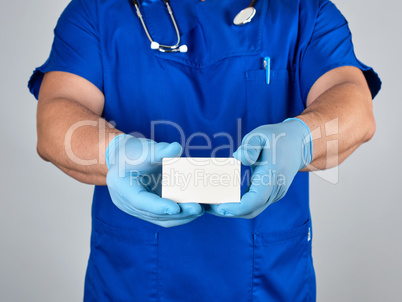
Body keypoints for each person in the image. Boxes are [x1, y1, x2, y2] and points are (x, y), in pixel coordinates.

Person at [28, 0, 381, 301]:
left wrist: (301, 138)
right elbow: (56, 117)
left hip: (271, 283)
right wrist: (112, 153)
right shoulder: (98, 11)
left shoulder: (304, 11)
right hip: (129, 282)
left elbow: (354, 105)